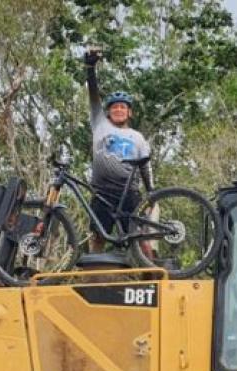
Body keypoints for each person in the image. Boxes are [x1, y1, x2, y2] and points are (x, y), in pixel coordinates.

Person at [83, 47, 152, 249]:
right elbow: (93, 95)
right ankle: (95, 276)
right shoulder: (100, 125)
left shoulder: (137, 137)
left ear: (129, 112)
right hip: (102, 192)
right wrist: (90, 68)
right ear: (108, 112)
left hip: (129, 193)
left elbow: (146, 167)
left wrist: (152, 194)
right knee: (97, 236)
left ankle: (149, 275)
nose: (119, 110)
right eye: (114, 107)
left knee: (139, 240)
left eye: (123, 107)